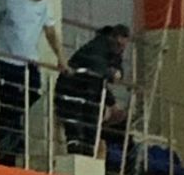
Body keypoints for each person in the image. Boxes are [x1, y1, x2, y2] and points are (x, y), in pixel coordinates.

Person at [0, 0, 65, 159]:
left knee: (34, 91)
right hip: (5, 59)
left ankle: (6, 132)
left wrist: (60, 58)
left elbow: (51, 33)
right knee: (8, 100)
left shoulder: (45, 6)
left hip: (29, 61)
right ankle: (7, 142)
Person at [54, 25, 130, 155]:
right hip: (73, 91)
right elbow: (98, 73)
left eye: (123, 46)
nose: (121, 48)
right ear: (113, 38)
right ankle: (81, 151)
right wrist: (112, 102)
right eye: (119, 44)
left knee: (89, 126)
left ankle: (86, 151)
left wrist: (116, 73)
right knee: (79, 127)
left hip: (86, 93)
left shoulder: (111, 50)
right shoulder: (97, 48)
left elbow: (106, 73)